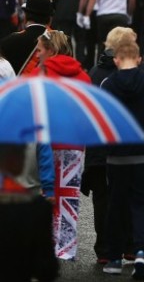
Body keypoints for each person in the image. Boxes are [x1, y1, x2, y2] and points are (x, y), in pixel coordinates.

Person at [85, 27, 144, 265]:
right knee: (132, 198)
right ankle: (130, 245)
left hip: (100, 148)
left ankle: (105, 248)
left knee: (103, 200)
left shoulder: (96, 73)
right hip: (136, 147)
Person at [100, 39, 144, 279]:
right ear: (140, 59)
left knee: (115, 206)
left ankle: (114, 259)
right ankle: (141, 250)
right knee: (143, 205)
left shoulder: (107, 85)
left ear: (117, 60)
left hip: (117, 157)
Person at [31, 30, 89, 260]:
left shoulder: (38, 75)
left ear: (51, 51)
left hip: (47, 142)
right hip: (74, 143)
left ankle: (44, 244)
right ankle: (65, 247)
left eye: (39, 50)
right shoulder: (82, 76)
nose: (36, 55)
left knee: (46, 192)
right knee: (68, 194)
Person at [0, 145, 59, 282]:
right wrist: (49, 190)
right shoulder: (38, 209)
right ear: (19, 160)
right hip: (31, 191)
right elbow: (47, 268)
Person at [0, 0, 53, 75]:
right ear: (49, 19)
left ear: (25, 16)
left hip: (17, 87)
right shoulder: (59, 42)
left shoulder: (7, 42)